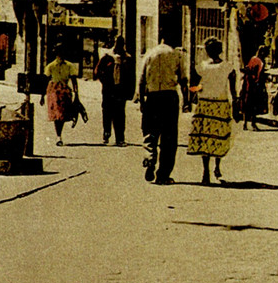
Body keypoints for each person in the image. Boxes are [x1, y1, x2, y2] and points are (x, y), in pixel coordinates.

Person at [137, 20, 189, 185]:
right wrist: (186, 101)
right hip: (169, 98)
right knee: (169, 137)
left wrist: (141, 101)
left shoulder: (150, 54)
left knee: (150, 132)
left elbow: (141, 80)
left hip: (152, 97)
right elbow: (183, 79)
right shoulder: (177, 55)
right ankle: (163, 174)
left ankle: (150, 157)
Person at [187, 38, 236, 185]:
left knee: (206, 137)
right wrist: (236, 103)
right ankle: (217, 167)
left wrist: (197, 92)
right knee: (218, 136)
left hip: (205, 104)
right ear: (220, 50)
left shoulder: (201, 67)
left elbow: (193, 86)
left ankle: (206, 171)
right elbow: (233, 90)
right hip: (221, 104)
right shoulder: (228, 67)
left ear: (207, 52)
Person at [95, 35, 133, 146]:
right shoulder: (107, 56)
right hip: (108, 90)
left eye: (121, 43)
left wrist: (129, 91)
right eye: (117, 43)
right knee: (107, 112)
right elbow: (97, 71)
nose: (119, 46)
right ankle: (106, 134)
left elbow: (131, 76)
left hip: (120, 90)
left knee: (120, 114)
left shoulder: (127, 58)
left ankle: (120, 138)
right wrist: (105, 81)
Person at [42, 47, 79, 146]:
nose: (60, 56)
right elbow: (45, 81)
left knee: (62, 115)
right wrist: (42, 96)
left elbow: (74, 79)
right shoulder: (50, 66)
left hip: (64, 91)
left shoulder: (69, 66)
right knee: (58, 114)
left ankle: (59, 134)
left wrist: (76, 93)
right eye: (59, 54)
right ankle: (59, 136)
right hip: (53, 90)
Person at [240, 46, 268, 130]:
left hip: (249, 83)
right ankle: (251, 123)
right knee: (252, 104)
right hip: (253, 84)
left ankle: (246, 124)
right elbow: (257, 73)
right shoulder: (259, 61)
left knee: (248, 104)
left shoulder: (255, 59)